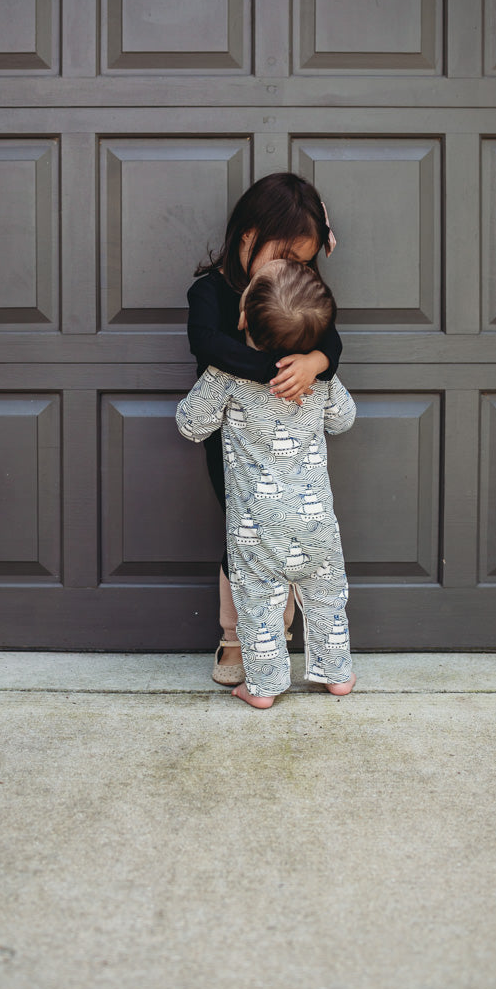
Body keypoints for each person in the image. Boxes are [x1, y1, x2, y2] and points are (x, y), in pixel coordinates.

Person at [177, 258, 356, 708]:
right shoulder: (317, 378)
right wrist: (319, 379)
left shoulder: (226, 378)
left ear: (241, 317)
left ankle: (263, 687)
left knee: (259, 607)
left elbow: (190, 425)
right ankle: (337, 676)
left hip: (257, 530)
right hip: (318, 526)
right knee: (328, 598)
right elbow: (344, 420)